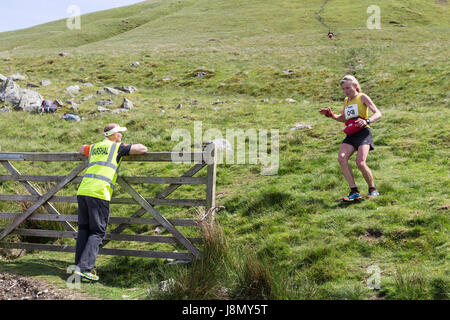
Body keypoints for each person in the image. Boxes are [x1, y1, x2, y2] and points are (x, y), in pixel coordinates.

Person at [74, 123, 147, 281]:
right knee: (98, 232)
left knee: (84, 229)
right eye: (119, 133)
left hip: (83, 190)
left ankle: (78, 267)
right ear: (114, 134)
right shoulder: (117, 147)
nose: (121, 135)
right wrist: (124, 146)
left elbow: (81, 148)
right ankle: (85, 269)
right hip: (99, 192)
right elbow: (142, 149)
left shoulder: (94, 147)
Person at [319, 75, 382, 202]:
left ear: (355, 86)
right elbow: (342, 118)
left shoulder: (362, 97)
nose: (346, 91)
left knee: (360, 162)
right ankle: (354, 191)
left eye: (348, 88)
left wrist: (367, 120)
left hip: (363, 133)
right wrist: (331, 115)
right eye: (343, 89)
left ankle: (372, 189)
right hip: (351, 134)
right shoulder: (346, 100)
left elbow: (378, 113)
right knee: (341, 158)